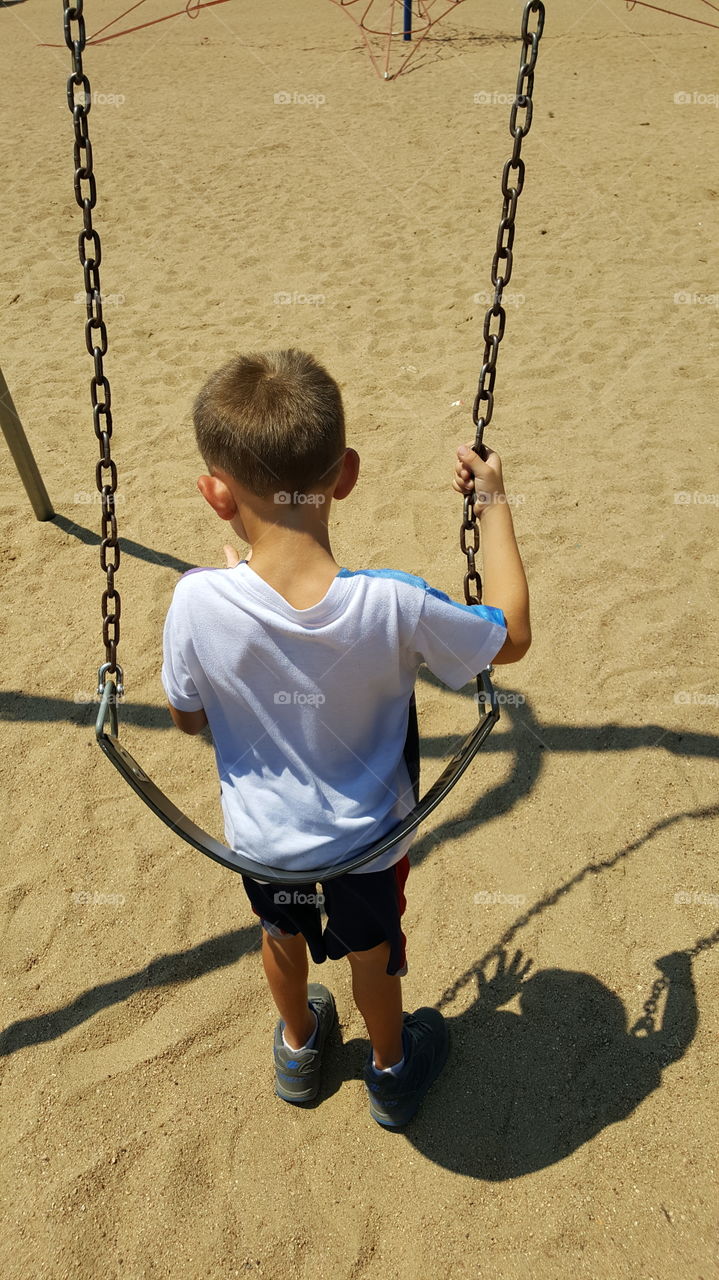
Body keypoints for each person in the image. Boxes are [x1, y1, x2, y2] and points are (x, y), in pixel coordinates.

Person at [161, 348, 531, 1128]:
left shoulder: (194, 603)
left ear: (215, 495)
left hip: (261, 845)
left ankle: (298, 1046)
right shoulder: (394, 605)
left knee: (279, 931)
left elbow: (188, 719)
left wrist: (227, 603)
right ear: (346, 475)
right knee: (372, 955)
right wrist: (492, 503)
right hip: (366, 844)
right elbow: (511, 635)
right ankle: (392, 1071)